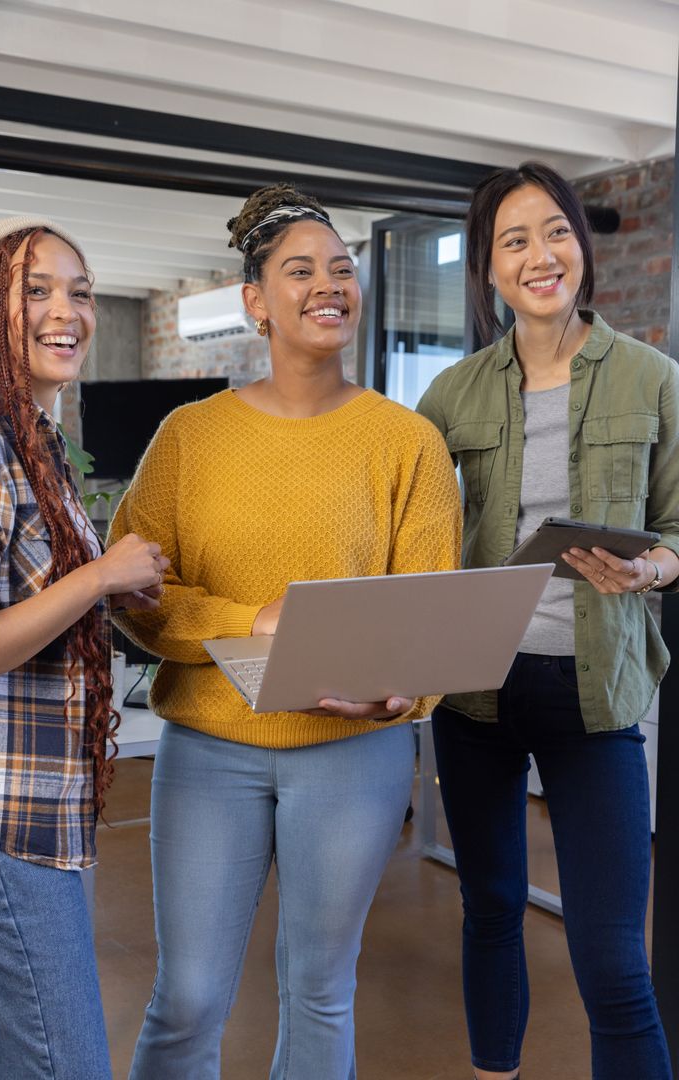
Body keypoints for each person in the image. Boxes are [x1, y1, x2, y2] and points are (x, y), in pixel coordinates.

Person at [109, 182, 462, 1080]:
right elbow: (132, 592)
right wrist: (250, 620)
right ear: (255, 302)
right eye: (300, 270)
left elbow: (429, 610)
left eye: (342, 269)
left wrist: (402, 691)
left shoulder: (407, 441)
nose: (328, 285)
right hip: (210, 749)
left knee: (320, 990)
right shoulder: (188, 437)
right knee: (186, 998)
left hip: (355, 750)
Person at [417, 162, 679, 1080]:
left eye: (556, 231)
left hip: (597, 697)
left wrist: (654, 564)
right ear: (490, 269)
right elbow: (415, 538)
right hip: (475, 695)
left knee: (612, 959)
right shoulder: (449, 397)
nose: (541, 254)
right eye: (515, 240)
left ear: (582, 245)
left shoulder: (653, 378)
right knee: (490, 914)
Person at [0, 216, 170, 1080]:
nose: (67, 310)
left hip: (28, 808)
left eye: (80, 292)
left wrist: (114, 588)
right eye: (36, 290)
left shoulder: (36, 444)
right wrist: (95, 578)